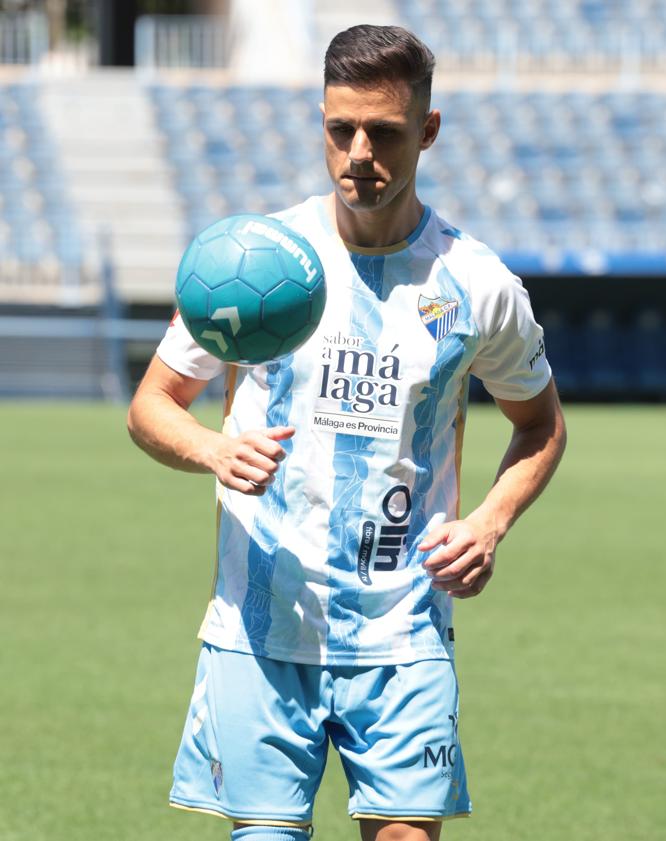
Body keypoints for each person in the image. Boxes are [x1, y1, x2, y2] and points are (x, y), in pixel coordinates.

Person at [127, 24, 566, 841]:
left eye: (385, 132)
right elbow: (153, 403)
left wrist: (489, 523)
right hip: (260, 629)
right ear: (322, 122)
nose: (358, 151)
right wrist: (212, 449)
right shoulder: (258, 260)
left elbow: (539, 425)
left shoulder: (475, 282)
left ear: (426, 132)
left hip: (402, 627)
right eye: (340, 129)